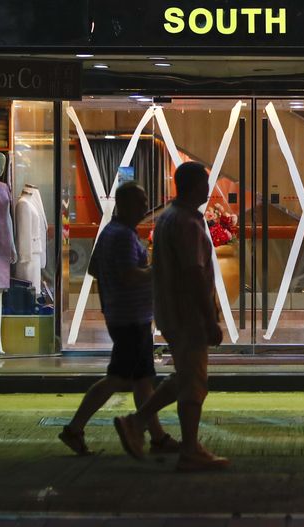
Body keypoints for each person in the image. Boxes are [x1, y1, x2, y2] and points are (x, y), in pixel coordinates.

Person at [113, 162, 229, 471]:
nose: (208, 188)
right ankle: (187, 448)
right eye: (205, 183)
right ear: (195, 187)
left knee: (184, 377)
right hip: (187, 314)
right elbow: (194, 273)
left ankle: (136, 423)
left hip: (169, 311)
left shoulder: (168, 219)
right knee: (194, 384)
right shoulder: (187, 224)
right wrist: (210, 318)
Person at [58, 183, 180, 456]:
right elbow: (129, 274)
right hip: (131, 318)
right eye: (141, 201)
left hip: (121, 314)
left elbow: (95, 269)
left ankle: (157, 438)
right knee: (119, 378)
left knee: (141, 380)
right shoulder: (123, 236)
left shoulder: (109, 233)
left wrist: (111, 295)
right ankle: (75, 428)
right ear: (124, 204)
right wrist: (157, 269)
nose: (145, 207)